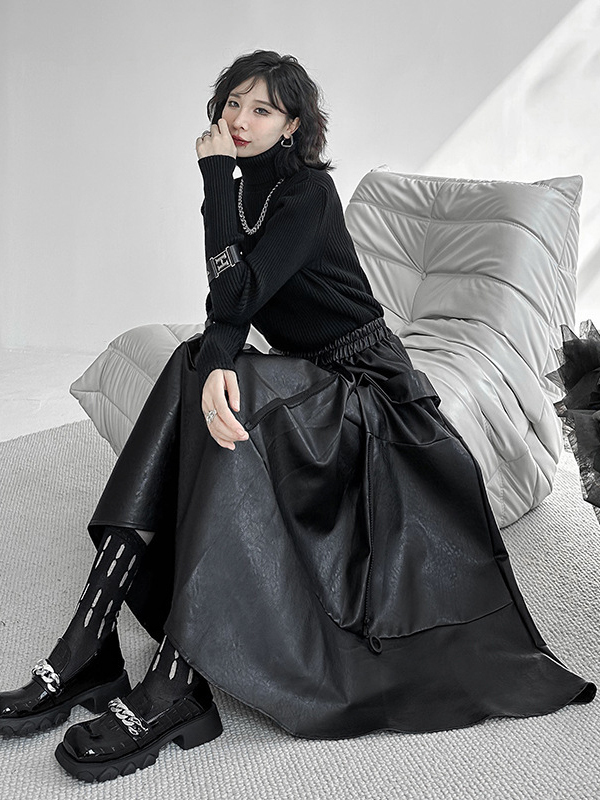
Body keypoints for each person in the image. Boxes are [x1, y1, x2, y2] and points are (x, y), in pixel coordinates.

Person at [0, 50, 595, 783]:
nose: (240, 120)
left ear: (292, 125)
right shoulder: (242, 188)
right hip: (310, 375)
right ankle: (89, 641)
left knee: (226, 388)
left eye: (262, 110)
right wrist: (216, 358)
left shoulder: (308, 193)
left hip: (367, 386)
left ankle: (166, 675)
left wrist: (213, 182)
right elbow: (227, 311)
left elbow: (236, 293)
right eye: (232, 103)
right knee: (195, 363)